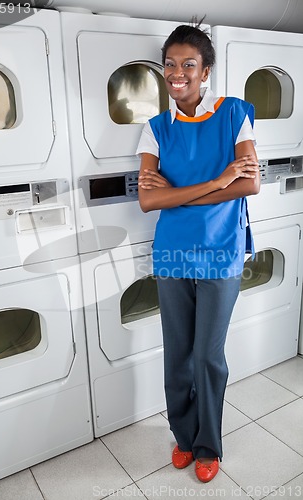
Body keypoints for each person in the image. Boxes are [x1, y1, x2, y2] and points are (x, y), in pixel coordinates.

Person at [136, 23, 260, 483]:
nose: (178, 73)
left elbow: (249, 183)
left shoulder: (233, 115)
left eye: (189, 64)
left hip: (222, 250)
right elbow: (148, 201)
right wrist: (213, 183)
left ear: (205, 70)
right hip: (172, 252)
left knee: (208, 355)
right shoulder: (156, 129)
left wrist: (180, 192)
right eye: (170, 64)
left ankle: (209, 444)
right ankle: (184, 436)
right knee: (178, 352)